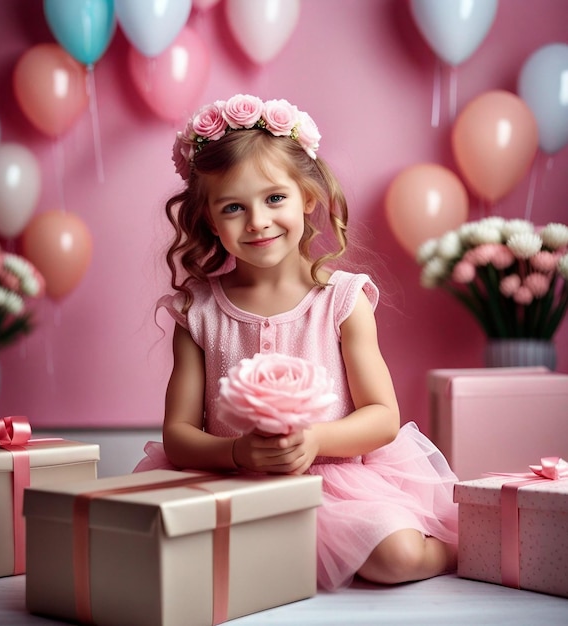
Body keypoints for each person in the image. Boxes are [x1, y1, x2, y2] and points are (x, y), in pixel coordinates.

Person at [134, 94, 458, 591]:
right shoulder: (197, 311)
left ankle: (460, 547)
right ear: (209, 221)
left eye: (274, 198)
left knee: (395, 559)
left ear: (307, 199)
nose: (258, 221)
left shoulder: (343, 300)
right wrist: (240, 453)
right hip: (233, 480)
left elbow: (383, 416)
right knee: (169, 554)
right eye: (234, 208)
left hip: (334, 482)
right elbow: (178, 434)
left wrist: (314, 442)